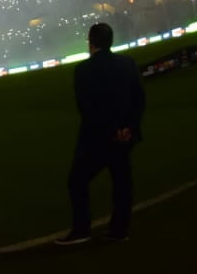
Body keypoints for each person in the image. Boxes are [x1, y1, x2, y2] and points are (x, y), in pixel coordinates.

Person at [55, 22, 145, 246]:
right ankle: (119, 229)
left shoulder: (83, 70)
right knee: (122, 182)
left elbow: (88, 109)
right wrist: (128, 128)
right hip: (125, 137)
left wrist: (112, 130)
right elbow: (139, 100)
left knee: (77, 181)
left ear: (91, 43)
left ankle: (81, 229)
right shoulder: (127, 63)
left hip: (98, 139)